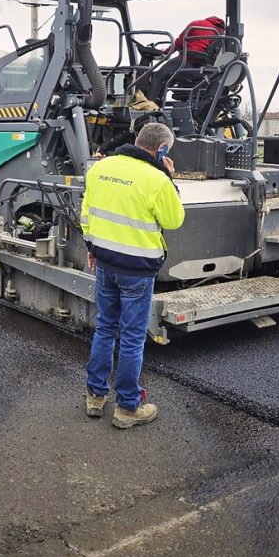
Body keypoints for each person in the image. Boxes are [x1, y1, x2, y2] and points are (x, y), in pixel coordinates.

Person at [81, 122, 185, 428]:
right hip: (137, 271)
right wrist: (169, 178)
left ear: (137, 140)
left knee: (104, 328)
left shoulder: (100, 168)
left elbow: (87, 214)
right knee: (131, 338)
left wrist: (91, 248)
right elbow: (174, 219)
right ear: (161, 149)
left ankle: (95, 397)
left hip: (105, 264)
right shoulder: (157, 179)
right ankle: (127, 407)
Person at [138, 16, 225, 105]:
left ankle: (147, 104)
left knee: (159, 76)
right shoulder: (221, 32)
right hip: (202, 66)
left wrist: (165, 52)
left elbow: (179, 42)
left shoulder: (196, 24)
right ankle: (158, 100)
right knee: (171, 78)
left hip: (186, 60)